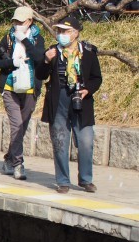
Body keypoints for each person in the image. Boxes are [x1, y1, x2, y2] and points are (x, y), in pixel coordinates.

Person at [38, 14, 102, 194]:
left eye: (65, 31)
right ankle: (63, 180)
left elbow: (97, 78)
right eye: (59, 31)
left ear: (75, 33)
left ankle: (86, 179)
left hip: (82, 101)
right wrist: (45, 60)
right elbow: (40, 75)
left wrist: (87, 90)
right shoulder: (53, 51)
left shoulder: (88, 52)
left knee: (86, 141)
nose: (61, 34)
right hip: (59, 101)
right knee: (60, 141)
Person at [0, 6, 48, 180]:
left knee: (21, 127)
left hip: (30, 88)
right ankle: (18, 164)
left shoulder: (38, 39)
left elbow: (39, 59)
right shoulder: (8, 38)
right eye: (15, 21)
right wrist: (10, 62)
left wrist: (26, 41)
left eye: (21, 22)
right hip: (10, 87)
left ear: (30, 22)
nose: (17, 25)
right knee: (16, 125)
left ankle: (9, 158)